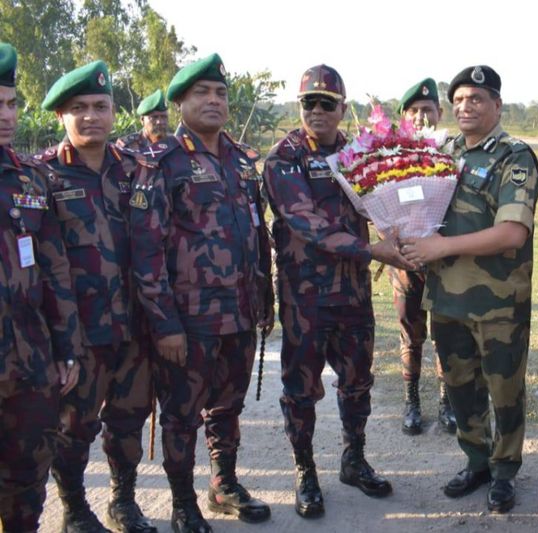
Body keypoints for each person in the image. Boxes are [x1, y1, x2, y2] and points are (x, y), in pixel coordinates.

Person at [130, 53, 274, 532]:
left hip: (240, 313)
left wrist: (265, 301)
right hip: (189, 321)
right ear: (179, 104)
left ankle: (223, 484)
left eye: (220, 93)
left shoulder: (241, 160)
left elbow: (258, 234)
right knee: (181, 416)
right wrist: (165, 324)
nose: (213, 101)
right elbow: (147, 253)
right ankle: (180, 503)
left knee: (227, 406)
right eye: (201, 94)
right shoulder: (162, 164)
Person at [263, 64, 408, 519]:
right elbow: (306, 222)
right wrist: (377, 251)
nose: (318, 111)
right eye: (310, 103)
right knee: (301, 390)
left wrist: (407, 225)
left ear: (343, 108)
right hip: (305, 299)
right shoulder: (283, 158)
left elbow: (386, 199)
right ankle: (305, 470)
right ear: (299, 106)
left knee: (357, 382)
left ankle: (354, 459)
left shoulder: (359, 153)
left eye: (328, 103)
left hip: (353, 296)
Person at [401, 65, 538, 515]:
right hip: (446, 300)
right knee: (460, 388)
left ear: (496, 106)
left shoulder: (514, 156)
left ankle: (504, 471)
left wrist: (440, 245)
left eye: (476, 99)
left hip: (497, 303)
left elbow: (512, 234)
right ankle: (477, 460)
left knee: (504, 392)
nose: (466, 106)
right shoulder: (444, 150)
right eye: (459, 99)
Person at [39, 60, 155, 533]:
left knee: (129, 420)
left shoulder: (139, 170)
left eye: (100, 107)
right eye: (79, 108)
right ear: (61, 116)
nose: (91, 116)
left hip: (135, 327)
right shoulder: (42, 176)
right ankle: (73, 507)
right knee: (74, 428)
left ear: (114, 112)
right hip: (79, 334)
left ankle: (123, 501)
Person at [0, 41, 82, 533]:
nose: (6, 115)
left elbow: (55, 270)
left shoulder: (32, 177)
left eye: (9, 103)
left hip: (29, 364)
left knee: (26, 487)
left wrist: (65, 348)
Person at [388, 77, 456, 435]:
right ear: (404, 116)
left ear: (439, 113)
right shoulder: (387, 155)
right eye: (413, 111)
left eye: (427, 110)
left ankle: (447, 402)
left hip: (444, 262)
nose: (420, 117)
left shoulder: (451, 151)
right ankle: (411, 400)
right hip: (404, 263)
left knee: (444, 333)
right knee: (410, 334)